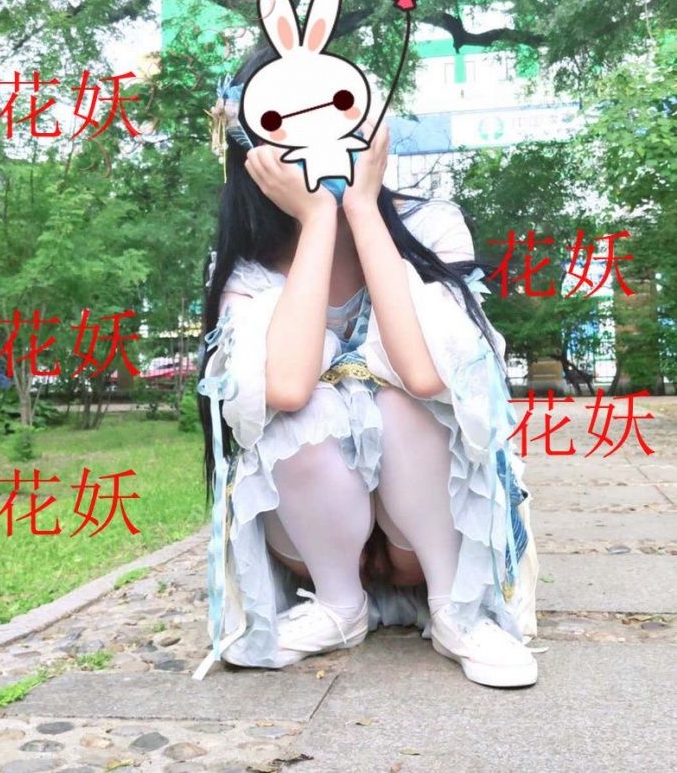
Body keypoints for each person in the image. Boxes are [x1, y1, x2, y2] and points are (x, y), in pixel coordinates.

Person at [194, 45, 540, 689]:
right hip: (317, 548)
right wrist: (317, 219)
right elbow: (286, 387)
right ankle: (339, 607)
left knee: (404, 398)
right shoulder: (247, 263)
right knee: (301, 408)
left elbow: (427, 374)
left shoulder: (430, 224)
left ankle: (457, 610)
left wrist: (360, 207)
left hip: (422, 540)